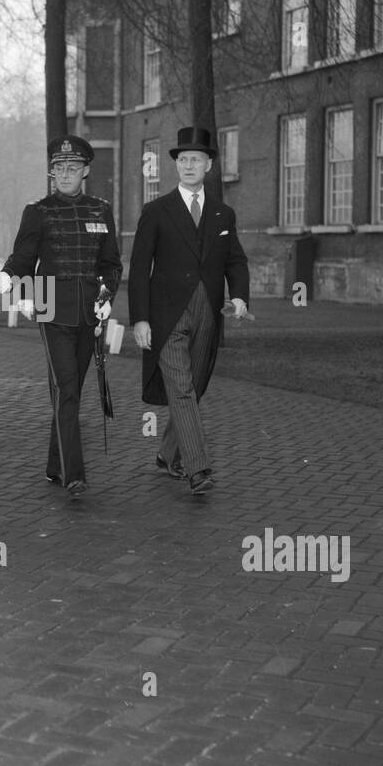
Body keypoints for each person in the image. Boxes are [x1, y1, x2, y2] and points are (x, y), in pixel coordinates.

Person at [0, 136, 121, 498]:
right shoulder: (38, 211)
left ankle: (54, 463)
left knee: (72, 389)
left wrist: (106, 297)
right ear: (51, 172)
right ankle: (73, 472)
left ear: (86, 171)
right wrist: (8, 277)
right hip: (51, 307)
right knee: (66, 388)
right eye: (59, 168)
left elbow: (111, 264)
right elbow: (23, 257)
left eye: (73, 168)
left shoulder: (102, 209)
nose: (65, 174)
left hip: (90, 312)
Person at [128, 126, 251, 496]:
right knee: (181, 390)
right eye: (182, 159)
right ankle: (198, 468)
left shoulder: (223, 214)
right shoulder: (156, 211)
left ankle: (167, 454)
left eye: (195, 159)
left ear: (209, 165)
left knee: (192, 389)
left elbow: (236, 261)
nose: (188, 165)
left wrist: (241, 297)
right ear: (176, 166)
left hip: (208, 315)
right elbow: (138, 269)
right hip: (167, 317)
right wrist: (140, 318)